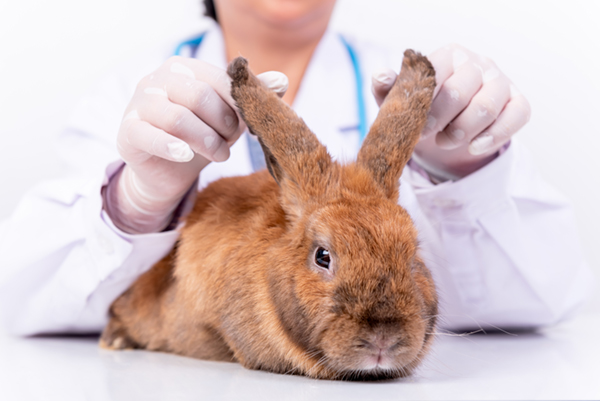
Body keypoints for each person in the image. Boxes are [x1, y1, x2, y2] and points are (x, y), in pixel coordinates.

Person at [0, 0, 593, 336]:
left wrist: (458, 167)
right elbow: (23, 293)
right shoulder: (126, 92)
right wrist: (136, 200)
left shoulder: (409, 80)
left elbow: (547, 293)